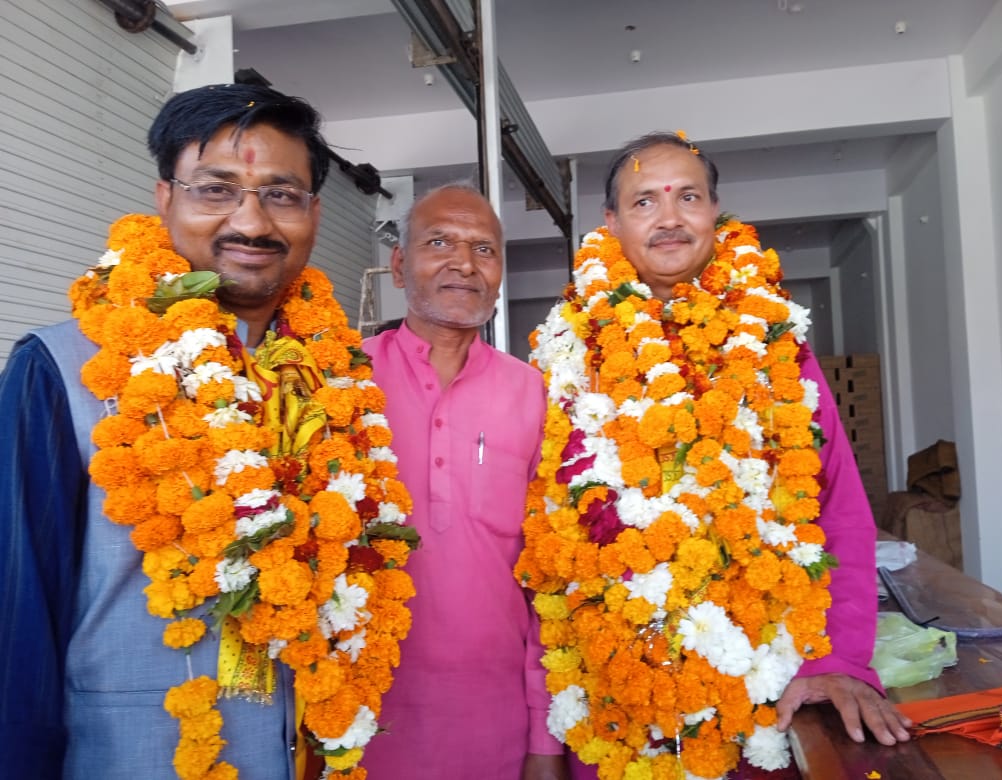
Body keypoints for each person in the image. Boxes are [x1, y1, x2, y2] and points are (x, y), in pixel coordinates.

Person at [0, 83, 416, 779]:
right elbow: (17, 618)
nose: (251, 222)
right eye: (216, 189)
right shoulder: (63, 369)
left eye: (281, 194)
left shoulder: (335, 381)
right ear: (164, 198)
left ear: (314, 213)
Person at [518, 132, 912, 779]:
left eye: (688, 197)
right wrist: (544, 731)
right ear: (611, 223)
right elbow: (546, 550)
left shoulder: (777, 350)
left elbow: (837, 509)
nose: (669, 217)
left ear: (715, 212)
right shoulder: (566, 358)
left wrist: (838, 661)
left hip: (767, 696)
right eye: (644, 201)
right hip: (613, 700)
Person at [362, 183, 569, 779]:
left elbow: (550, 578)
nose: (464, 263)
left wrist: (545, 737)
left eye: (484, 249)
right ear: (398, 265)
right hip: (354, 724)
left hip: (497, 728)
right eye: (439, 243)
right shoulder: (339, 379)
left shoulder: (535, 394)